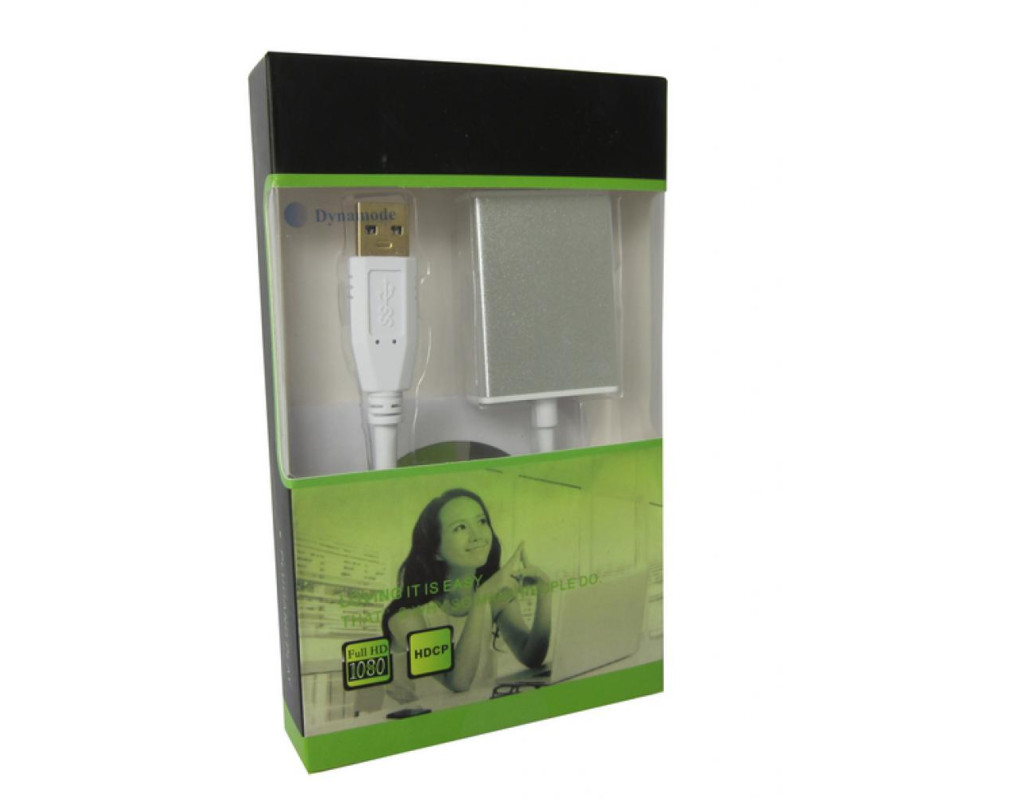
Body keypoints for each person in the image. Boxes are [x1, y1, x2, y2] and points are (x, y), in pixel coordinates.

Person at [382, 488, 551, 693]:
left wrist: (545, 590)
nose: (477, 535)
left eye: (481, 521)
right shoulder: (406, 617)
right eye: (460, 527)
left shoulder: (493, 595)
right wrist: (482, 597)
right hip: (415, 713)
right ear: (435, 550)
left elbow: (531, 657)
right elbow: (457, 682)